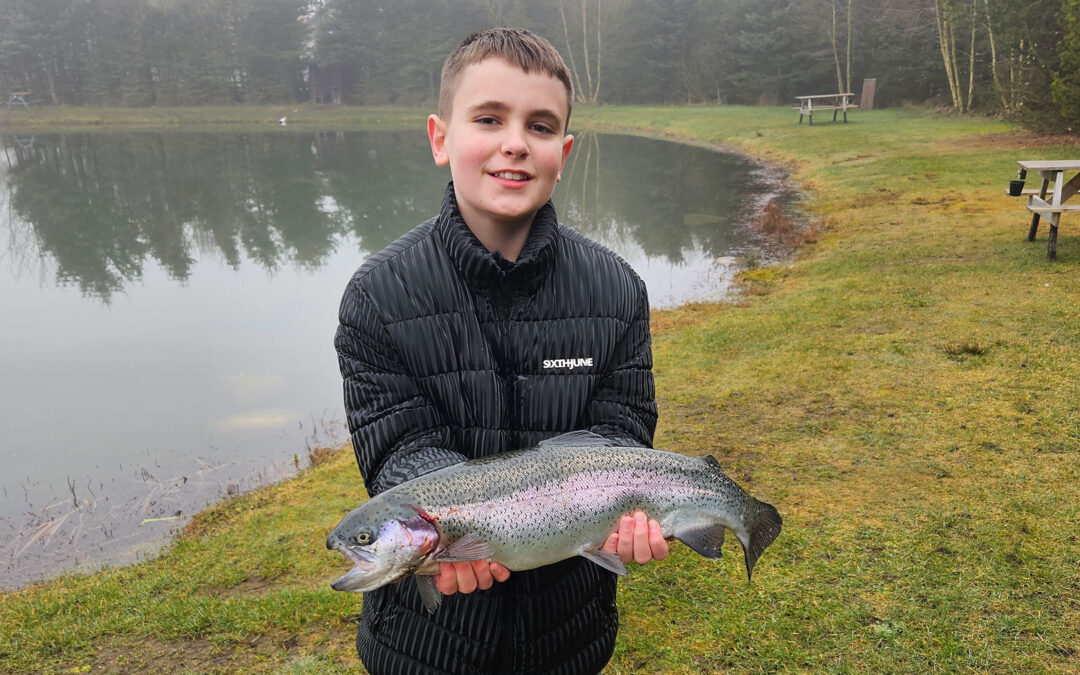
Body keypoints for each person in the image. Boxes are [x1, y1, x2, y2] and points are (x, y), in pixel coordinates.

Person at [334, 27, 665, 675]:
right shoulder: (377, 295)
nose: (515, 142)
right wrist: (453, 523)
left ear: (563, 152)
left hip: (568, 630)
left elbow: (622, 431)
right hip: (424, 642)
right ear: (440, 137)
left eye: (540, 126)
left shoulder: (618, 289)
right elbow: (399, 448)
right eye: (489, 118)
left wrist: (631, 506)